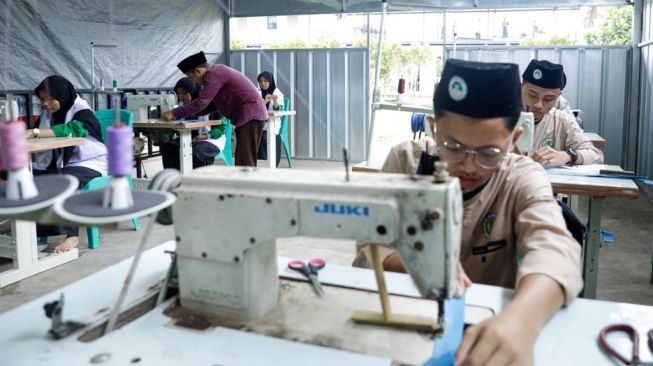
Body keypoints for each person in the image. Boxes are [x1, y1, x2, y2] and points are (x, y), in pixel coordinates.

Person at [354, 59, 582, 365]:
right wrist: (417, 262)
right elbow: (370, 248)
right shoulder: (406, 164)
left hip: (496, 329)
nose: (470, 166)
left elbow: (556, 251)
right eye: (453, 147)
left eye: (489, 153)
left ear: (513, 140)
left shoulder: (520, 177)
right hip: (410, 318)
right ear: (433, 129)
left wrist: (522, 321)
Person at [30, 75, 108, 252]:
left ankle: (72, 235)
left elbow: (74, 130)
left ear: (62, 95)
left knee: (64, 180)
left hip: (90, 162)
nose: (45, 104)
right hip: (66, 164)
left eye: (50, 98)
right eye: (42, 99)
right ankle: (36, 230)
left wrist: (33, 132)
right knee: (25, 176)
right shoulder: (48, 115)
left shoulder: (82, 110)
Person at [162, 51, 268, 167]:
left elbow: (201, 102)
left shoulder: (213, 75)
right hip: (249, 115)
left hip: (251, 114)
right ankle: (243, 184)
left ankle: (245, 184)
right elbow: (213, 105)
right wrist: (188, 114)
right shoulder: (216, 73)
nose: (192, 80)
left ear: (198, 71)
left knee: (245, 162)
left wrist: (174, 113)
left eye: (190, 77)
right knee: (243, 160)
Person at [522, 59, 603, 166]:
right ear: (521, 88)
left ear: (558, 97)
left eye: (548, 99)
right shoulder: (499, 118)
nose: (538, 105)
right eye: (532, 96)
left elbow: (596, 155)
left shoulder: (562, 121)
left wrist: (568, 156)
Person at [160, 78, 226, 170]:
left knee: (195, 153)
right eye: (179, 94)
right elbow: (179, 123)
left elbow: (222, 128)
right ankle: (174, 178)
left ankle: (197, 181)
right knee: (168, 148)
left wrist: (206, 136)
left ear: (193, 91)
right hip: (189, 138)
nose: (181, 97)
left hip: (211, 139)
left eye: (185, 93)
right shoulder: (181, 107)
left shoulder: (210, 104)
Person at [256, 71, 284, 167]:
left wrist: (275, 101)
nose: (263, 83)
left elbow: (279, 110)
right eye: (260, 81)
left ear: (270, 81)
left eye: (265, 81)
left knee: (264, 135)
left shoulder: (277, 93)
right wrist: (265, 101)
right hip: (258, 124)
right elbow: (255, 109)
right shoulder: (257, 92)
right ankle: (256, 162)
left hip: (272, 125)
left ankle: (269, 163)